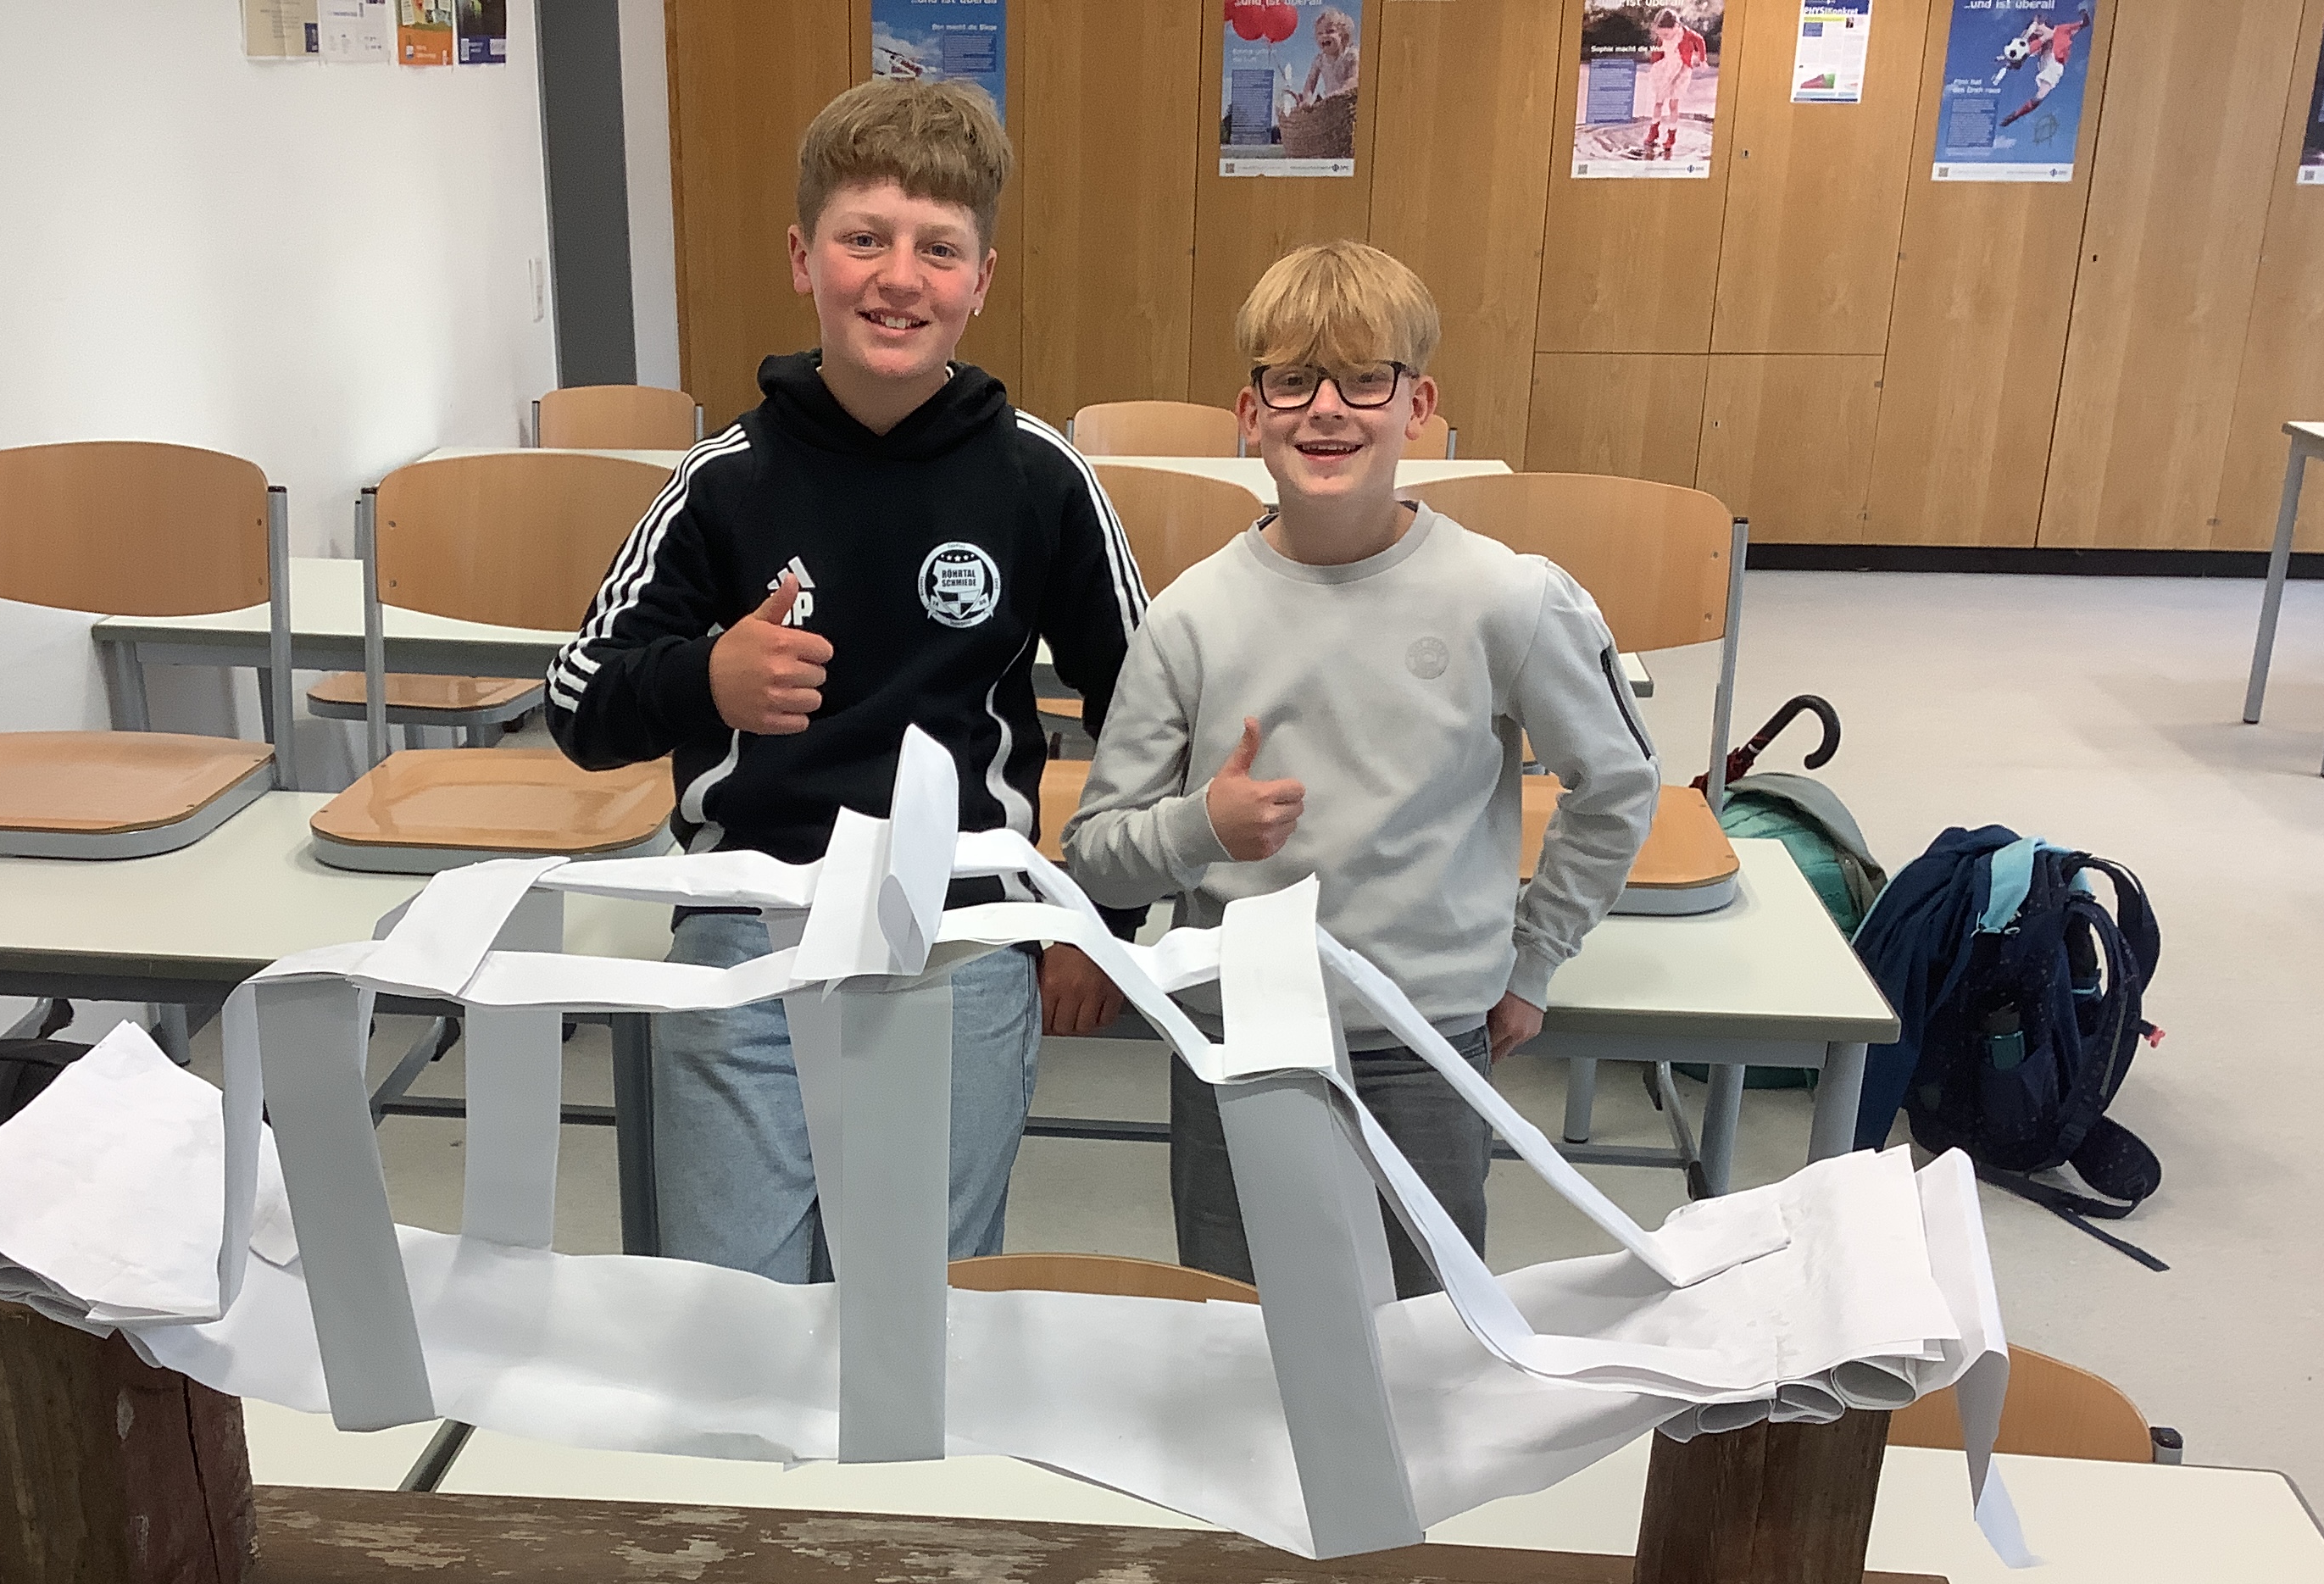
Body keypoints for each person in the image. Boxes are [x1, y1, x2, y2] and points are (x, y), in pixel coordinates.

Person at [546, 78, 1145, 1285]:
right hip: (749, 931)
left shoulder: (1041, 480)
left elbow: (1150, 711)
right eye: (863, 238)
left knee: (915, 1311)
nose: (899, 277)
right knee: (734, 1308)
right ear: (801, 257)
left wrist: (1103, 927)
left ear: (982, 279)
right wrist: (706, 679)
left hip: (964, 938)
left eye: (939, 249)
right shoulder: (722, 483)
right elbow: (578, 704)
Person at [1061, 241, 1657, 1296]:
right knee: (1240, 1325)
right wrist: (1202, 829)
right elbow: (1097, 856)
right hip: (1237, 1039)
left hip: (1421, 1042)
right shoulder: (1191, 616)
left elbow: (1617, 783)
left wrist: (1535, 959)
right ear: (1250, 413)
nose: (1326, 409)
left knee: (1421, 1335)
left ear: (1417, 404)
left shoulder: (1505, 597)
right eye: (1293, 380)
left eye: (1363, 379)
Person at [2000, 9, 2091, 127]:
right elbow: (2026, 52)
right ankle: (2017, 114)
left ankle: (2016, 114)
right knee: (2039, 95)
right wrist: (2012, 62)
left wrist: (2084, 16)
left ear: (2043, 23)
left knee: (2040, 96)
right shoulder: (2038, 42)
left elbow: (2083, 24)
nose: (2035, 30)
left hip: (2054, 65)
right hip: (2046, 63)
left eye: (2037, 26)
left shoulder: (2062, 30)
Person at [1640, 8, 1706, 163]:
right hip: (1666, 68)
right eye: (1661, 34)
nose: (1663, 37)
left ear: (1676, 27)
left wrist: (1703, 60)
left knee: (1673, 104)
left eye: (1666, 34)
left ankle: (1671, 135)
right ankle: (1654, 130)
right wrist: (1654, 60)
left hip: (1681, 69)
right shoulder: (1662, 36)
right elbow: (1659, 49)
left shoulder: (1686, 34)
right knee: (1658, 101)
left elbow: (1700, 41)